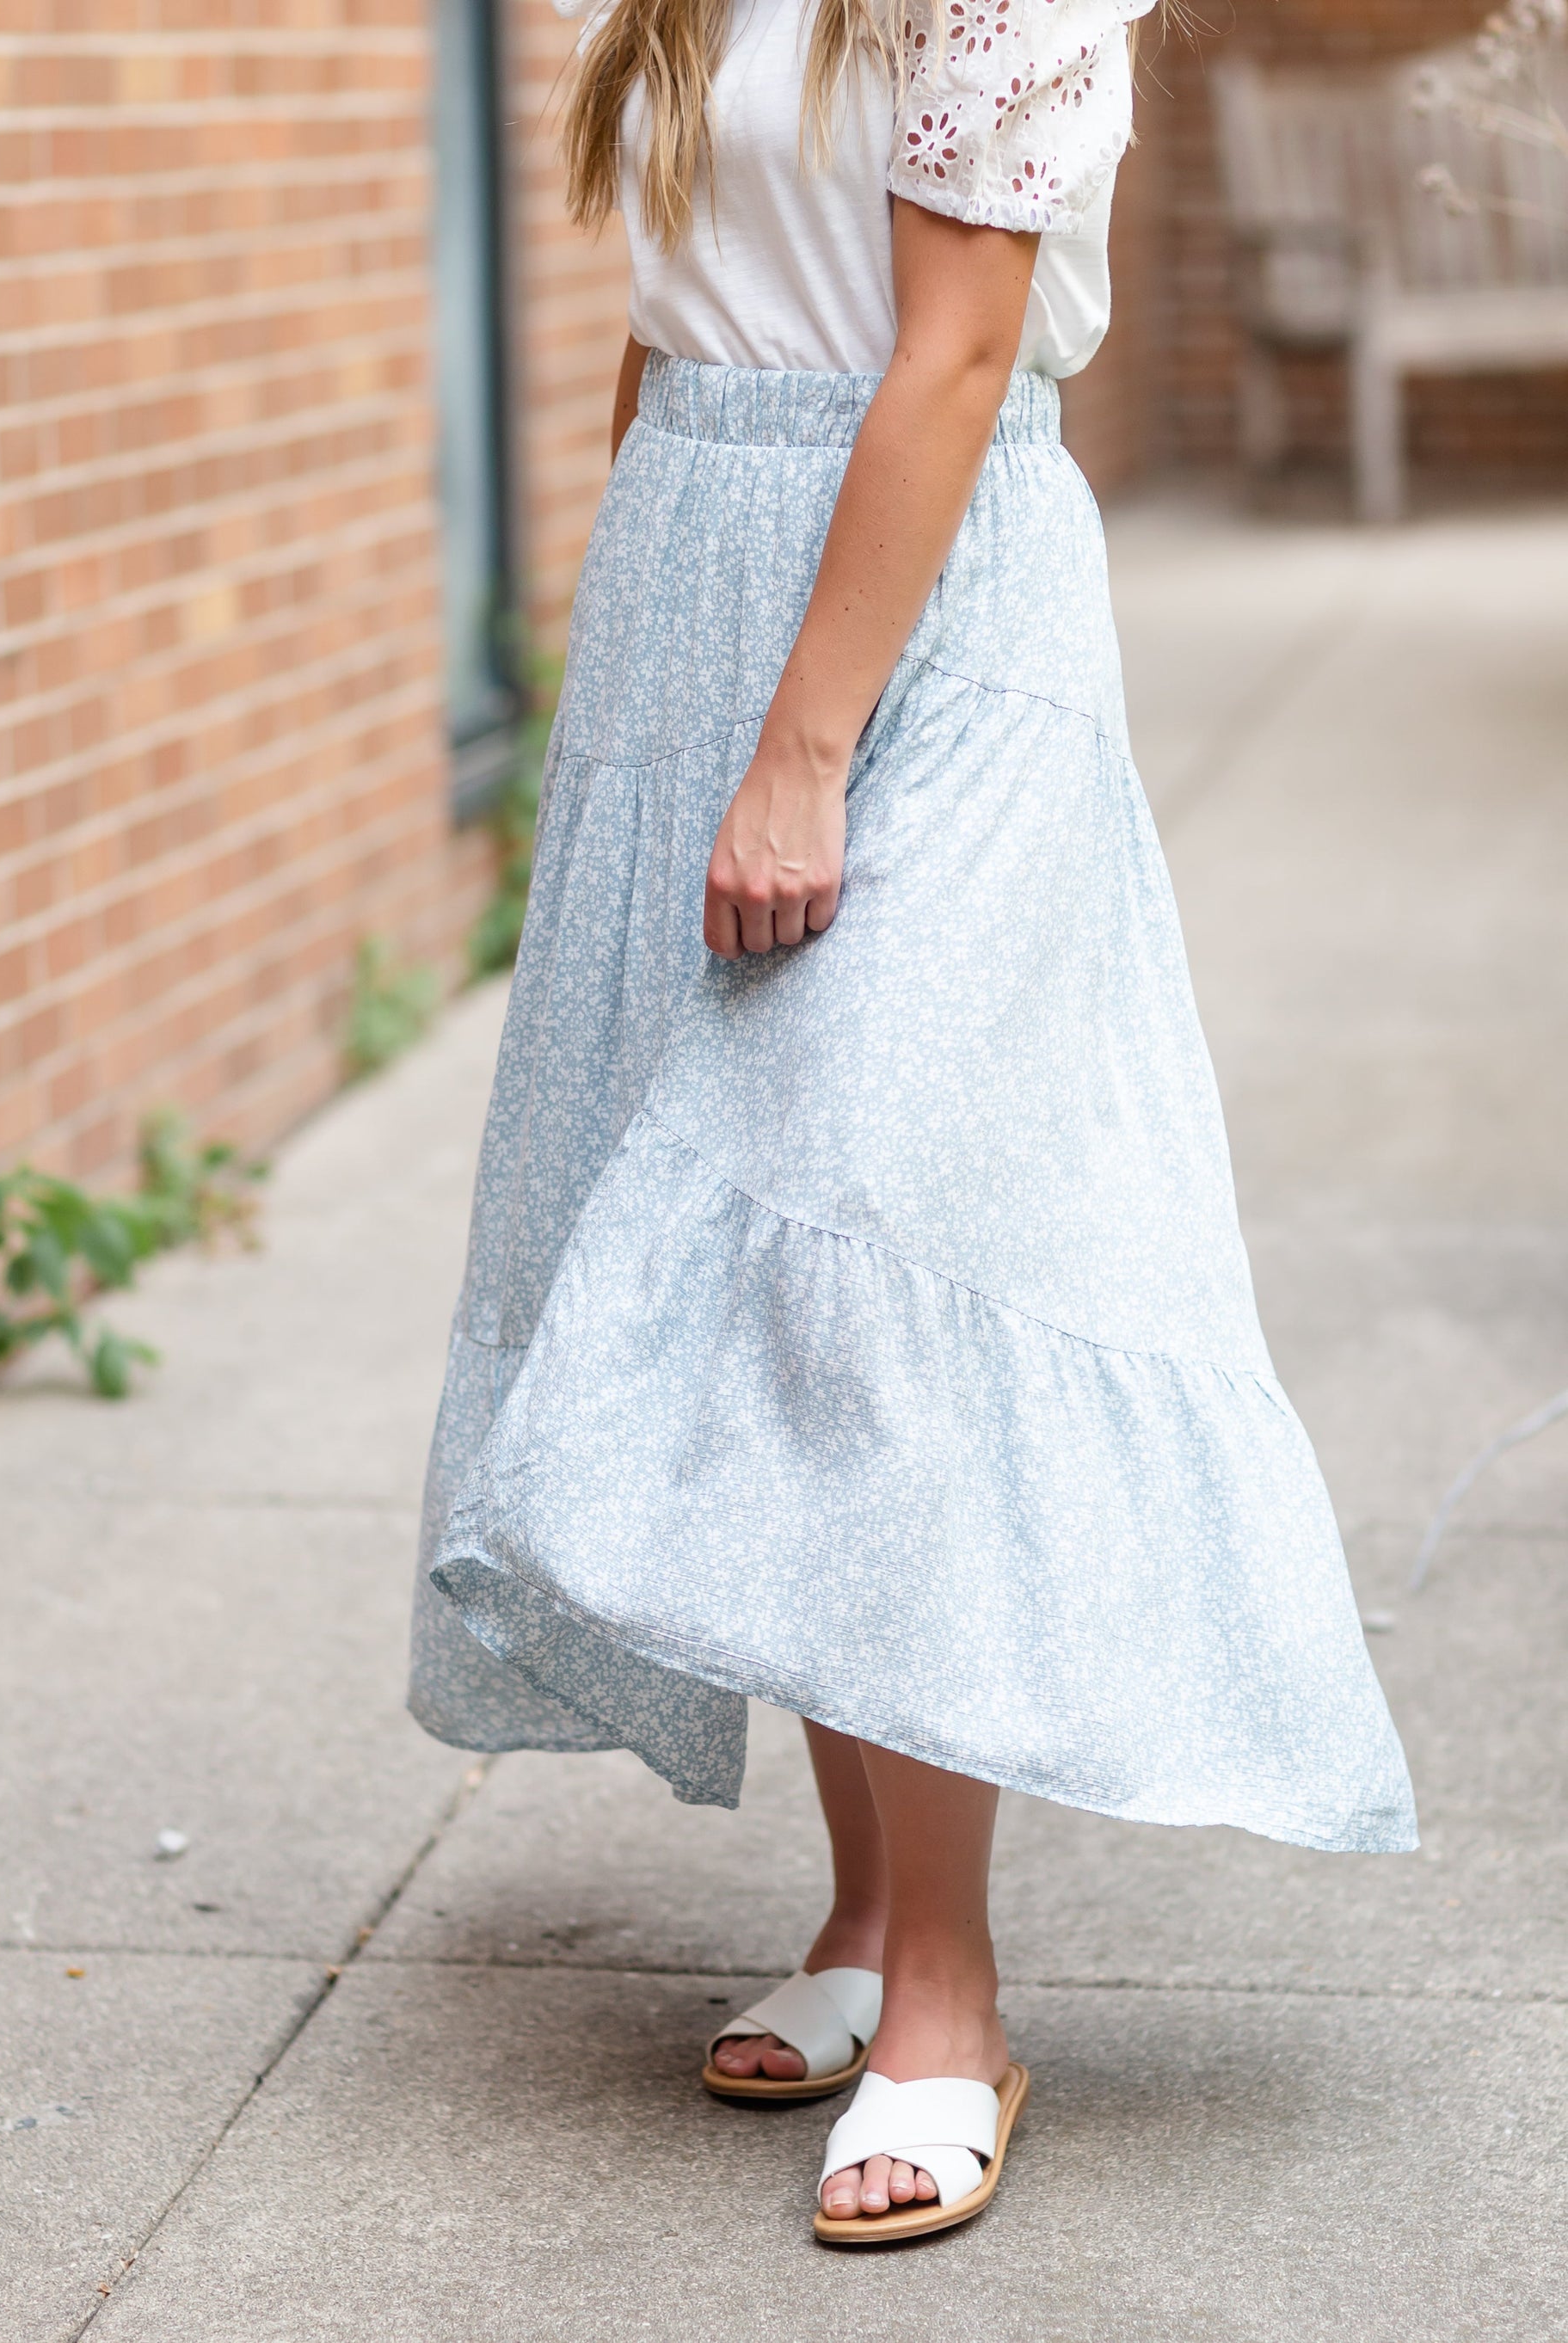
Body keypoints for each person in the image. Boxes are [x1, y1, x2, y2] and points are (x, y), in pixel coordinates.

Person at [410, 0, 1417, 2244]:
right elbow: (668, 327)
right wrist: (649, 670)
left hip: (921, 627)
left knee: (880, 1255)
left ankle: (955, 1994)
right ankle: (865, 1921)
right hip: (701, 587)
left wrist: (799, 744)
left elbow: (955, 355)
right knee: (769, 1294)